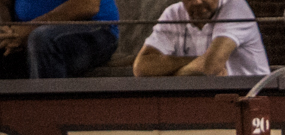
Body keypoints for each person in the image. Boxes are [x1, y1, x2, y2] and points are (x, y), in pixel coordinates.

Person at [133, 0, 268, 77]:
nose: (197, 2)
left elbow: (210, 67)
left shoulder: (236, 8)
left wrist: (166, 74)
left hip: (253, 96)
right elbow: (141, 67)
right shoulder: (173, 13)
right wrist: (197, 62)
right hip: (206, 98)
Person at [0, 0, 118, 79]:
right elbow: (4, 3)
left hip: (93, 28)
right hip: (25, 31)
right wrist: (9, 33)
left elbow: (87, 5)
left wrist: (28, 29)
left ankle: (46, 113)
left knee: (42, 39)